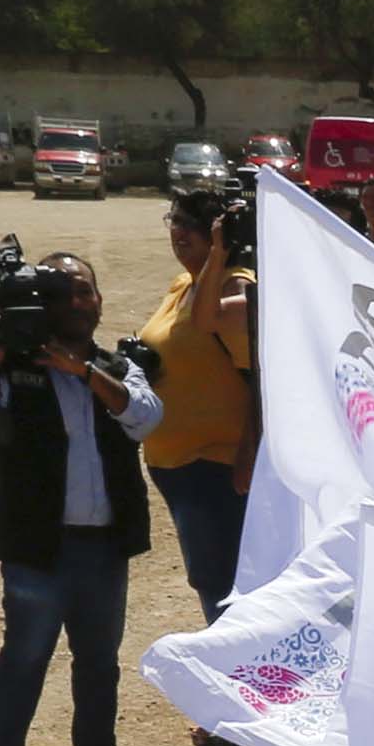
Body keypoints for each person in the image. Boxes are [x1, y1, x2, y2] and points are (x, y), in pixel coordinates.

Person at [0, 252, 164, 746]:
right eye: (64, 293)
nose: (78, 303)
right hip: (36, 547)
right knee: (24, 662)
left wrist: (83, 373)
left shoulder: (114, 364)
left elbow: (145, 416)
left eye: (86, 292)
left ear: (99, 301)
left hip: (102, 545)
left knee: (98, 661)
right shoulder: (10, 371)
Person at [138, 193, 257, 625]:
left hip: (217, 466)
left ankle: (237, 680)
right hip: (177, 466)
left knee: (222, 587)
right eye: (174, 220)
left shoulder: (235, 287)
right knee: (209, 579)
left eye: (193, 224)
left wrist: (247, 452)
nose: (179, 231)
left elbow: (260, 384)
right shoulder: (183, 284)